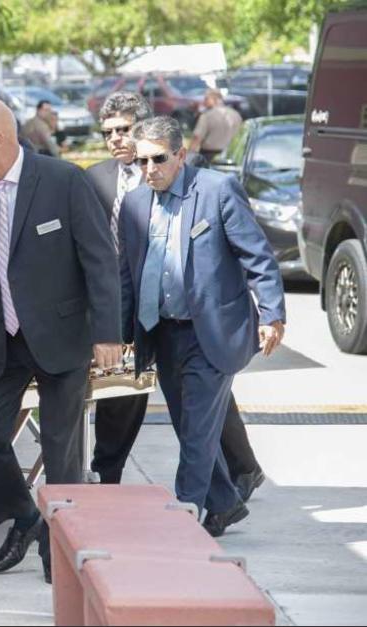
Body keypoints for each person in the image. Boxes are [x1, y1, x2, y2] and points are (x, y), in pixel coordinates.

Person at [0, 99, 123, 584]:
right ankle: (25, 516)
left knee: (62, 453)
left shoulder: (63, 182)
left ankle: (59, 550)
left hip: (61, 336)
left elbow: (100, 260)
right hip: (2, 340)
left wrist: (107, 332)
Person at [87, 93, 267, 500]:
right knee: (152, 408)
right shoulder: (99, 180)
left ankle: (202, 499)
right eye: (108, 133)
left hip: (200, 319)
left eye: (123, 130)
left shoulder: (196, 177)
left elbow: (248, 250)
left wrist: (271, 312)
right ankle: (217, 498)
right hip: (142, 313)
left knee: (202, 412)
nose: (116, 139)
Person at [118, 116, 286, 537]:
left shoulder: (216, 190)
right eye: (141, 161)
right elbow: (127, 275)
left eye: (158, 159)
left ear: (180, 154)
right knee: (186, 424)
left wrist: (272, 314)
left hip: (212, 329)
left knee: (196, 429)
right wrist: (119, 335)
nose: (149, 169)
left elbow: (257, 256)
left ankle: (185, 514)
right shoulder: (134, 204)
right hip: (161, 331)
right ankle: (225, 504)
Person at [188, 89, 243, 163]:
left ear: (215, 99)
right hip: (232, 156)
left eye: (206, 99)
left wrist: (189, 157)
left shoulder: (206, 116)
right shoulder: (236, 115)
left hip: (209, 156)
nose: (204, 102)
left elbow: (197, 138)